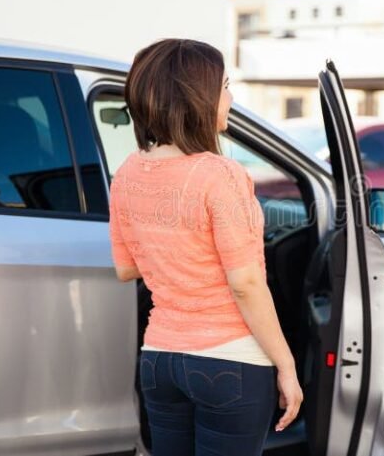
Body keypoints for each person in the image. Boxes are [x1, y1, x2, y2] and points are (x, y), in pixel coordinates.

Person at [108, 39, 303, 456]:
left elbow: (126, 269)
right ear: (196, 97)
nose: (230, 98)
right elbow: (247, 283)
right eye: (224, 86)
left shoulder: (127, 172)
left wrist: (172, 249)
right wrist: (286, 364)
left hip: (159, 359)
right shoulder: (221, 175)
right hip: (229, 361)